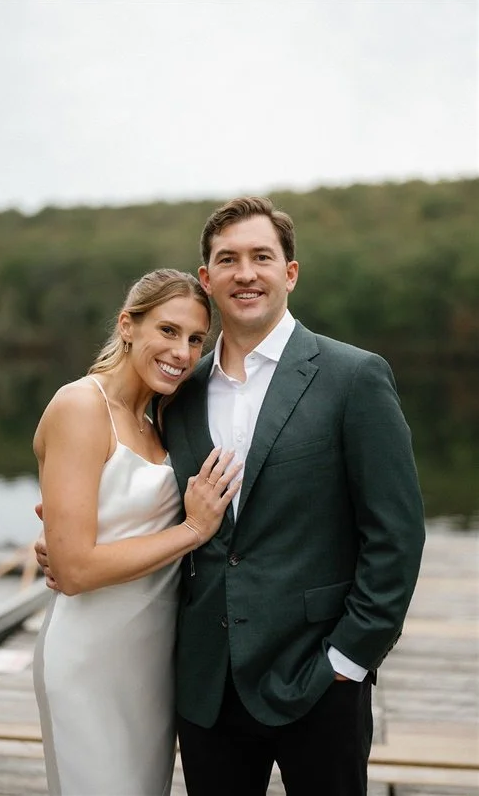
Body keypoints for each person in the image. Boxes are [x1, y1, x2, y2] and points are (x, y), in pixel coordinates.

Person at [37, 197, 425, 796]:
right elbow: (131, 491)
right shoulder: (176, 392)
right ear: (207, 278)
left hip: (318, 676)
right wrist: (60, 543)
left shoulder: (353, 378)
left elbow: (396, 537)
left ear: (289, 273)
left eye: (261, 257)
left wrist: (349, 659)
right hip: (203, 686)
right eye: (228, 259)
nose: (245, 272)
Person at [31, 268, 241, 796]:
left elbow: (118, 522)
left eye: (196, 339)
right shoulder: (81, 406)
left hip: (150, 661)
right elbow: (76, 571)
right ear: (128, 325)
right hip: (89, 657)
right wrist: (193, 530)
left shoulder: (159, 419)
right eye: (167, 331)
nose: (183, 352)